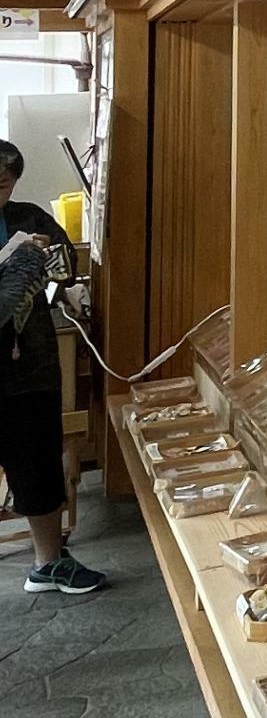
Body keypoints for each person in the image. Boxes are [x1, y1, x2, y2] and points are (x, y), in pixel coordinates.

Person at [0, 140, 105, 594]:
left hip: (32, 367)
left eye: (6, 182)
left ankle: (49, 562)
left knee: (39, 462)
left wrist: (44, 253)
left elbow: (66, 271)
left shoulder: (29, 216)